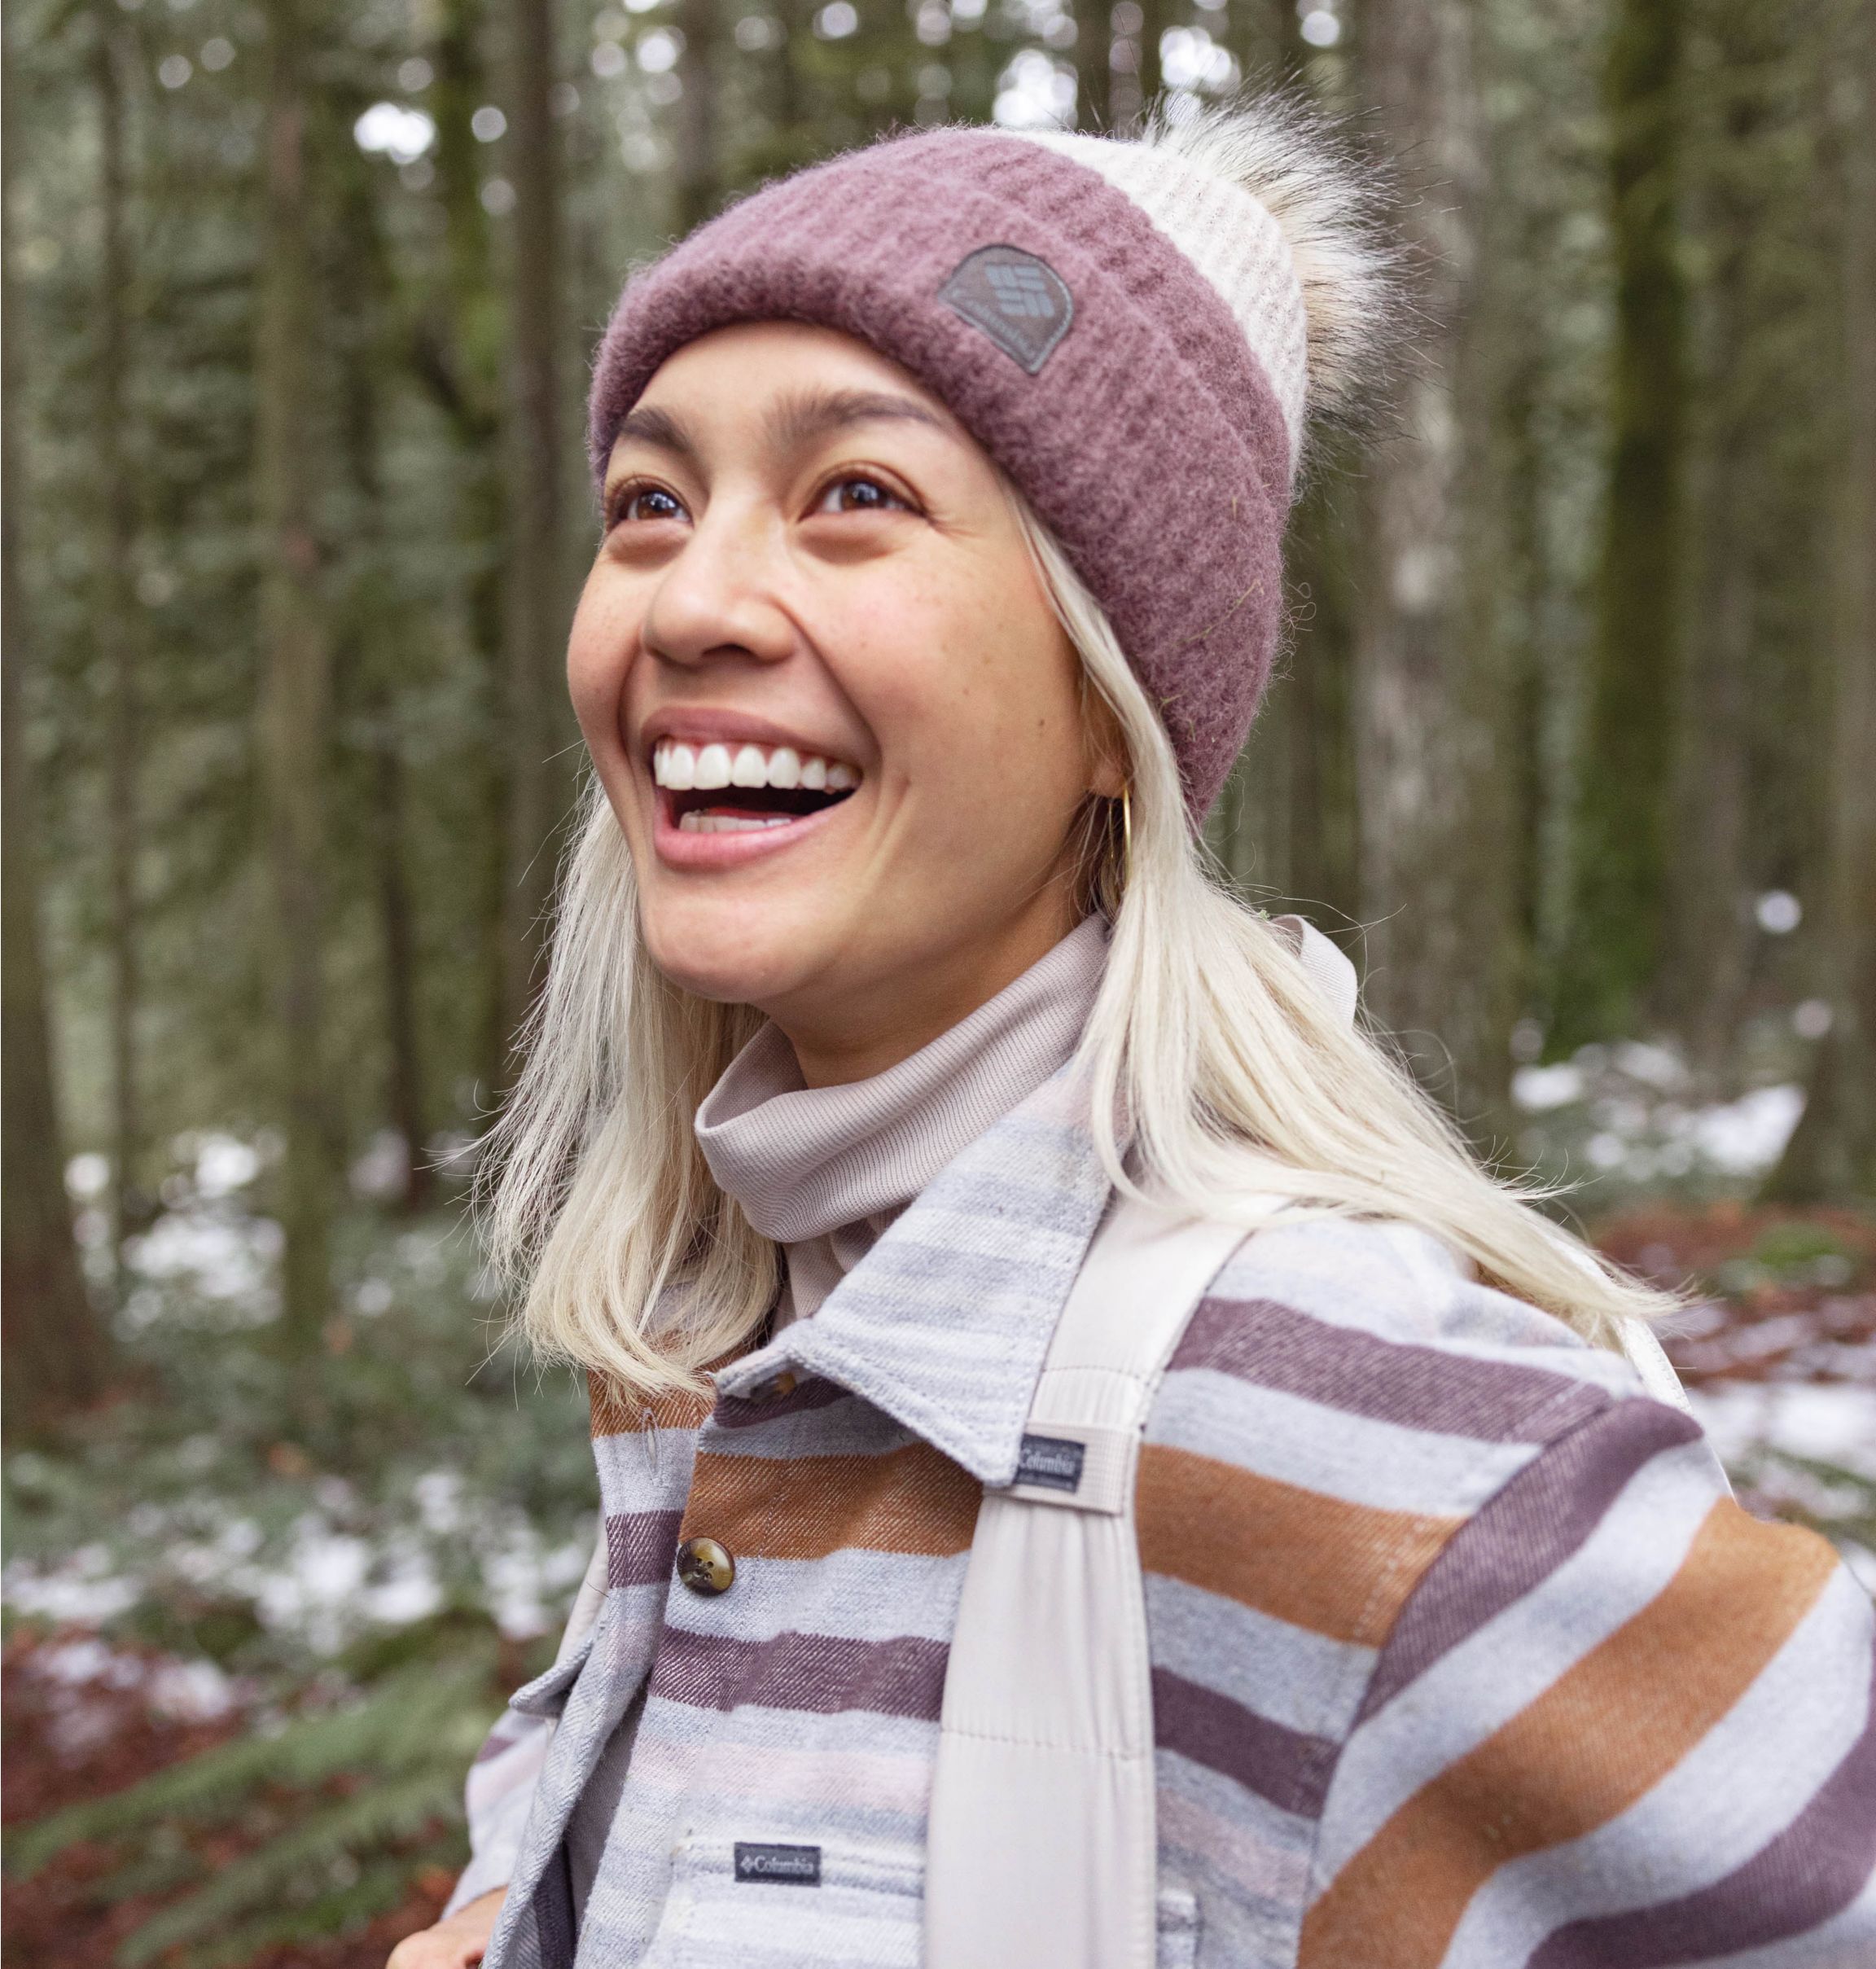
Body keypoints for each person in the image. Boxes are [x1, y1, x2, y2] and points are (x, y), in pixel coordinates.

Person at [389, 96, 1876, 1969]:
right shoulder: (726, 1342)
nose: (691, 600)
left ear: (1118, 707)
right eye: (651, 504)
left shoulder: (1368, 1441)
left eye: (858, 494)